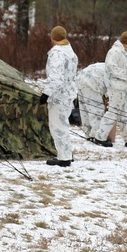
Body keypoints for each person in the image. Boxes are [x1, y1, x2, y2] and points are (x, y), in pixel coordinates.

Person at [92, 31, 127, 149]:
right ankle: (100, 137)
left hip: (125, 88)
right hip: (116, 88)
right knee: (113, 112)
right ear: (126, 43)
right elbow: (111, 68)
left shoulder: (125, 52)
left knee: (126, 113)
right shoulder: (114, 52)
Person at [41, 26, 79, 167]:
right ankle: (67, 153)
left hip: (59, 96)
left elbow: (56, 78)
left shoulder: (57, 53)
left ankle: (64, 159)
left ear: (53, 38)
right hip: (69, 94)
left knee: (57, 127)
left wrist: (46, 93)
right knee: (64, 125)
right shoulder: (70, 51)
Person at [75, 62, 108, 142]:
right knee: (96, 111)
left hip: (80, 79)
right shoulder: (120, 75)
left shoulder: (108, 66)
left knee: (85, 109)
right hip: (93, 82)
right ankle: (97, 135)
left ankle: (88, 133)